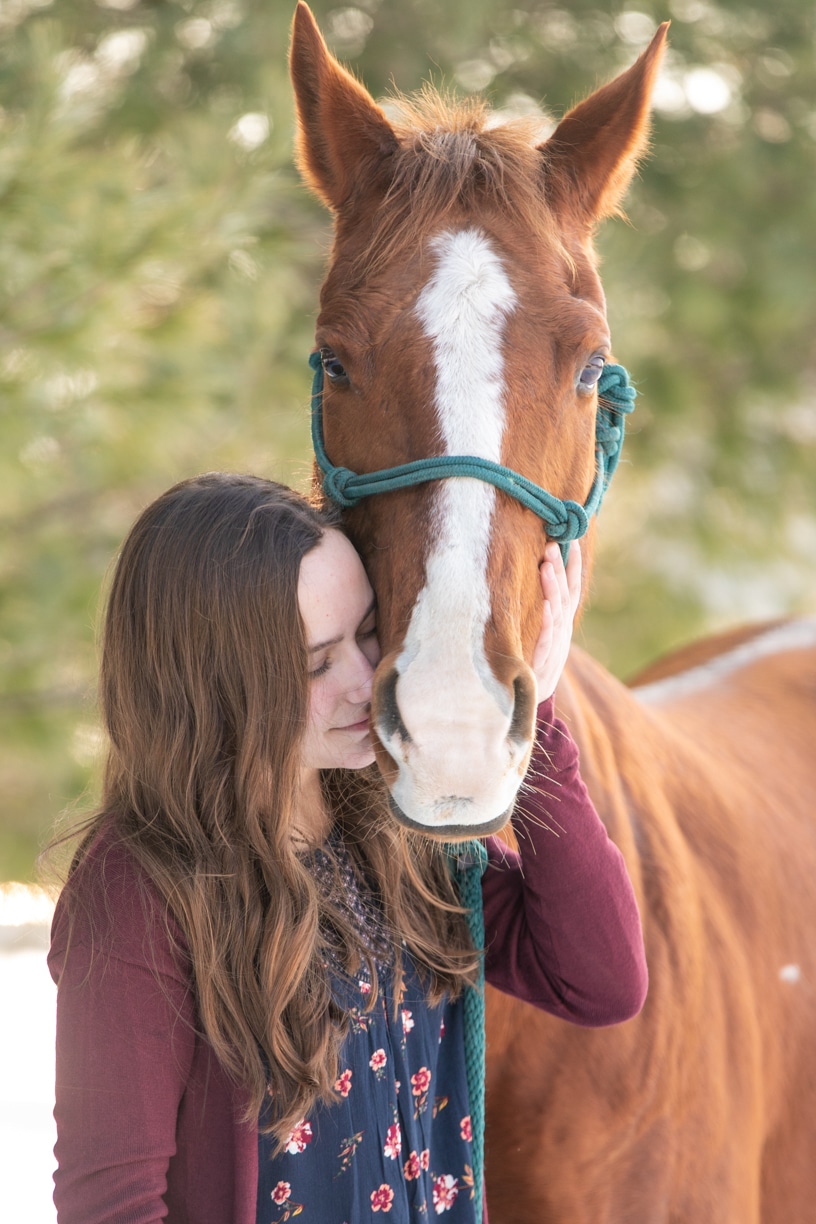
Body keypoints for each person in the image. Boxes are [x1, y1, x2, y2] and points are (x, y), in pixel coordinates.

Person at [48, 471, 647, 1224]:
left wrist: (540, 706)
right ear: (213, 688)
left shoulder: (398, 826)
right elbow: (111, 1205)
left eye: (369, 633)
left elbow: (599, 982)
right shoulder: (137, 888)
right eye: (316, 662)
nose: (368, 683)